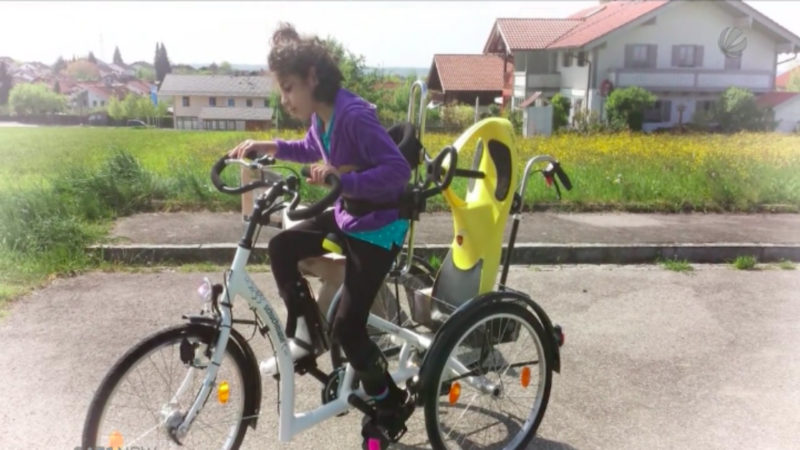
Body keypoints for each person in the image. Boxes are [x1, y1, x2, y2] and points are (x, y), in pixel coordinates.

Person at [227, 23, 414, 449]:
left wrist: (345, 181)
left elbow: (398, 172)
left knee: (350, 329)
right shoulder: (323, 119)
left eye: (289, 87)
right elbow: (309, 148)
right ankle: (307, 335)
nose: (286, 98)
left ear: (312, 77)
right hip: (349, 217)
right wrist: (268, 146)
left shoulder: (353, 115)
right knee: (282, 246)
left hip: (379, 226)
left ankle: (390, 400)